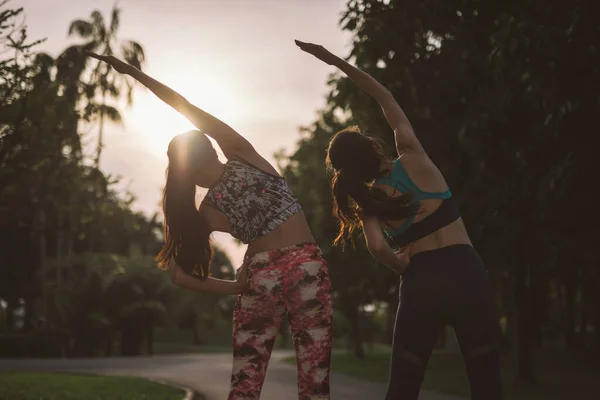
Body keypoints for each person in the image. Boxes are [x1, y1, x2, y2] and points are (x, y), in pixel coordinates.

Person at [87, 51, 333, 400]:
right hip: (306, 264)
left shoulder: (206, 212)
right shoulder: (243, 153)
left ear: (181, 170)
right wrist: (132, 72)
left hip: (260, 274)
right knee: (314, 375)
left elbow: (179, 277)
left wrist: (235, 287)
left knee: (246, 381)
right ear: (211, 146)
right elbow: (184, 104)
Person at [295, 40, 503, 400]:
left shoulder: (369, 201)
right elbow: (385, 96)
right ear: (373, 146)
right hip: (466, 270)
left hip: (421, 279)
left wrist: (403, 267)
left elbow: (376, 246)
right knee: (485, 383)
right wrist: (332, 60)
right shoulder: (411, 152)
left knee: (403, 388)